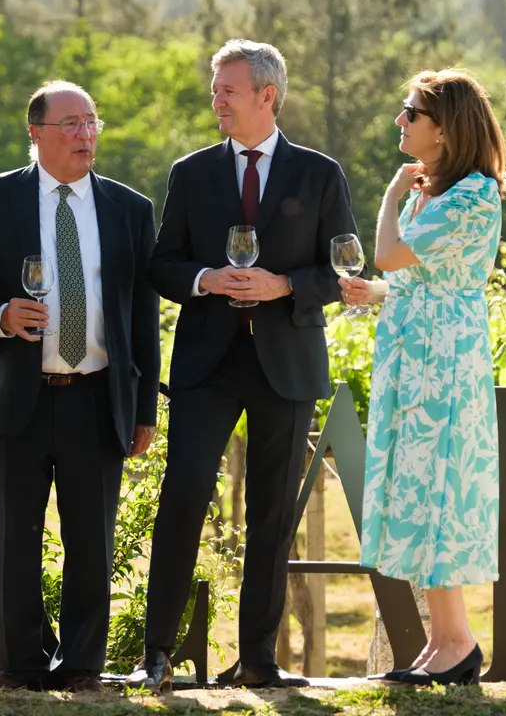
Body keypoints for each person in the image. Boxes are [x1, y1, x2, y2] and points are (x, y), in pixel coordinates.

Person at [127, 40, 357, 692]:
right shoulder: (191, 173)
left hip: (286, 362)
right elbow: (162, 264)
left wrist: (283, 287)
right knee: (183, 498)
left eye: (227, 89)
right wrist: (206, 278)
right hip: (207, 364)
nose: (216, 98)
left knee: (272, 515)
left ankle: (258, 659)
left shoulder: (320, 174)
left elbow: (343, 271)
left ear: (266, 95)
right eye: (213, 87)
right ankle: (157, 653)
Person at [0, 81, 161, 692]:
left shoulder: (131, 209)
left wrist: (145, 407)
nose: (84, 135)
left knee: (91, 544)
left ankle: (81, 664)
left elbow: (141, 315)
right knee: (11, 540)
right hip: (15, 397)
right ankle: (20, 665)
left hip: (97, 396)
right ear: (37, 133)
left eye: (91, 122)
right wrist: (1, 315)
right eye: (70, 124)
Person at [340, 69, 506, 686]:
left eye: (410, 113)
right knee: (418, 490)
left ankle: (459, 641)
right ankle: (445, 641)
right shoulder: (437, 192)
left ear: (444, 128)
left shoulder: (472, 195)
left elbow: (389, 251)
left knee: (441, 488)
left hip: (443, 365)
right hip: (414, 358)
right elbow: (414, 276)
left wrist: (389, 197)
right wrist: (379, 293)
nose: (400, 121)